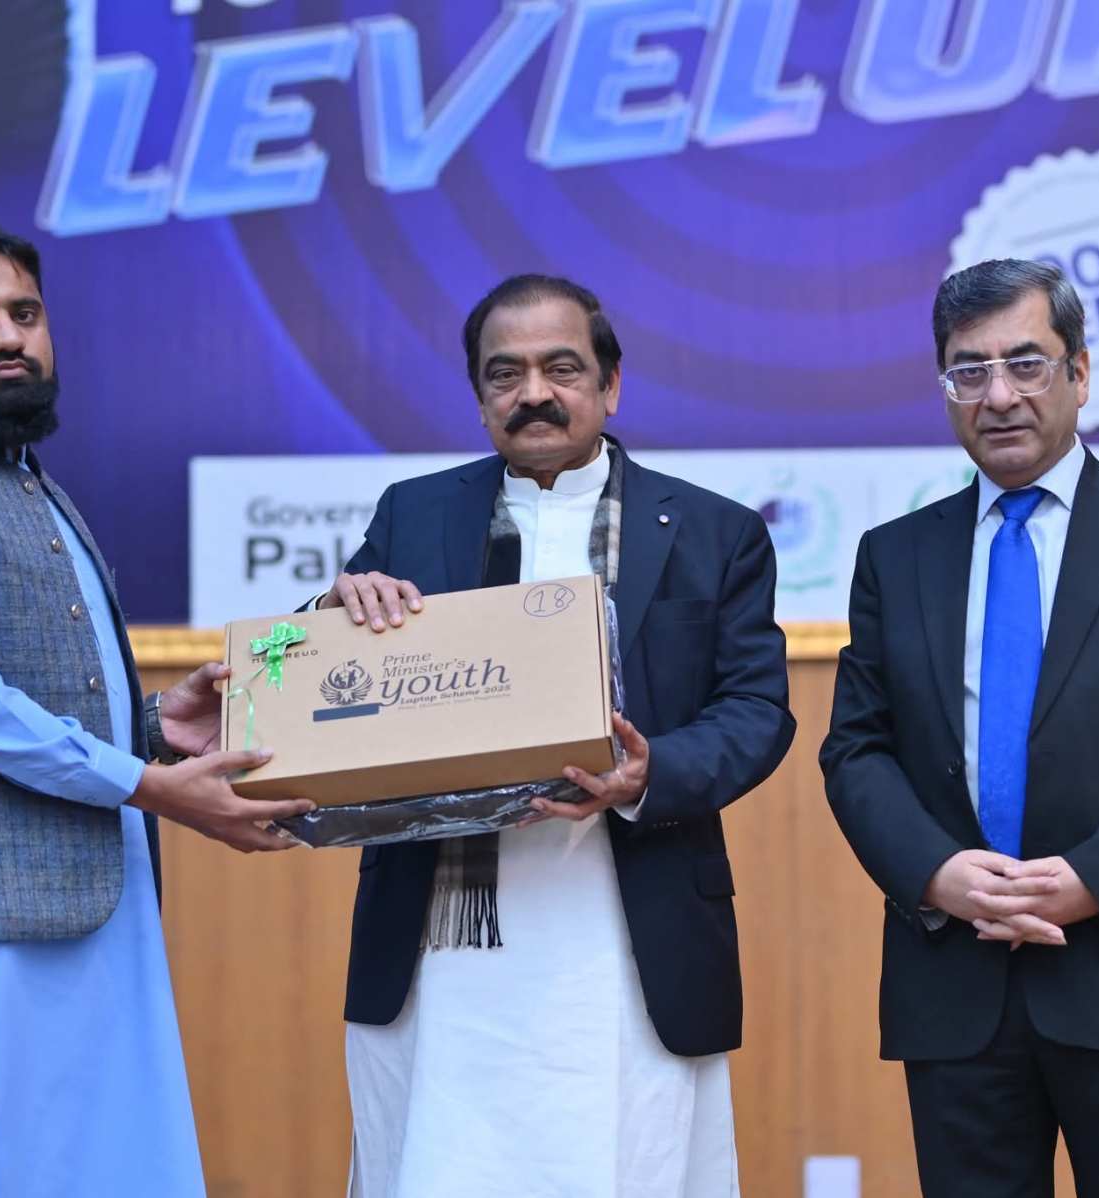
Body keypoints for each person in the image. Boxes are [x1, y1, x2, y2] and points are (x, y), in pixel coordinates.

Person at [0, 221, 312, 1196]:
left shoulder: (38, 489)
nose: (9, 337)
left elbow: (45, 694)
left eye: (25, 314)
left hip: (98, 917)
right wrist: (154, 786)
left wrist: (156, 726)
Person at [322, 274, 796, 1197]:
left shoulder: (714, 531)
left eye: (562, 368)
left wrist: (651, 772)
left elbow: (756, 711)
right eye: (505, 374)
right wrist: (331, 609)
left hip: (629, 925)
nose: (533, 393)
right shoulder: (413, 514)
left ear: (610, 385)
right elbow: (334, 674)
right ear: (479, 398)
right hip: (443, 940)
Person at [819, 258, 1099, 1198]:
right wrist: (936, 874)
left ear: (1080, 373)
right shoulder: (895, 556)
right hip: (956, 979)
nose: (999, 395)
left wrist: (1093, 879)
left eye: (1026, 363)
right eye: (968, 371)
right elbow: (856, 750)